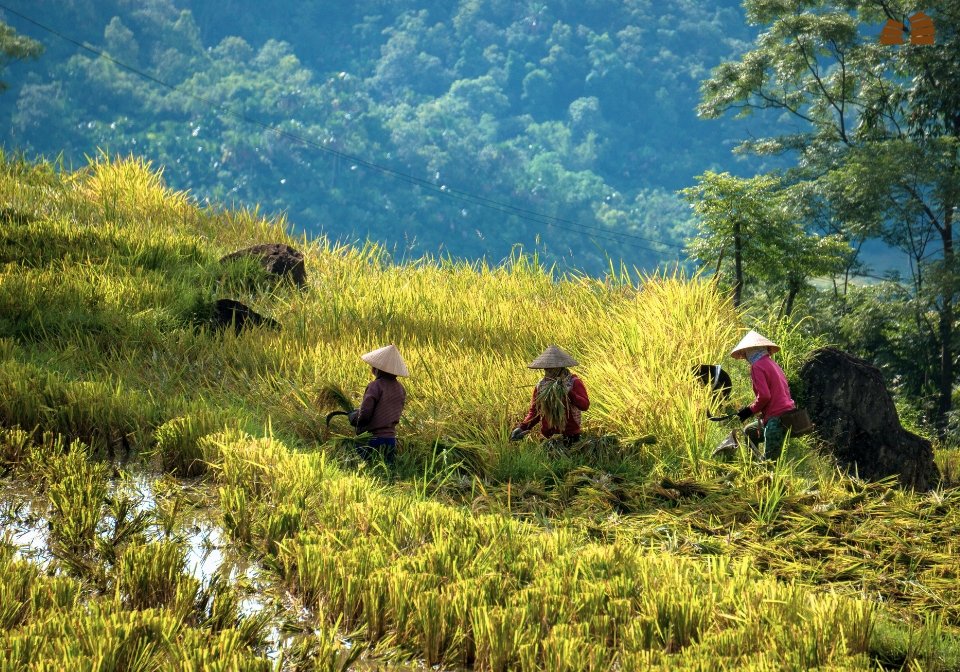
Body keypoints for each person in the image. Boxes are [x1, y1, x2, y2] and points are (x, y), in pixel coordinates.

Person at [731, 330, 796, 460]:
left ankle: (761, 471)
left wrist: (749, 411)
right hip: (787, 414)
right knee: (750, 431)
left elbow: (765, 396)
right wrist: (759, 412)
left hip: (777, 419)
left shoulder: (757, 366)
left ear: (751, 351)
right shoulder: (773, 364)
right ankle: (751, 466)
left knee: (770, 463)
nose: (745, 357)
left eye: (746, 353)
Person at [510, 345, 590, 446]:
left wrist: (568, 393)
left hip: (570, 437)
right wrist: (522, 427)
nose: (549, 373)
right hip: (548, 437)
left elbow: (585, 405)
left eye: (552, 369)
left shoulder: (573, 382)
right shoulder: (541, 385)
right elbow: (536, 411)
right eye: (547, 370)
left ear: (561, 368)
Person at [348, 344, 408, 465]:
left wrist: (354, 418)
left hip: (373, 439)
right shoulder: (400, 388)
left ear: (377, 369)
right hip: (391, 440)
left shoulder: (375, 386)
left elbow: (365, 414)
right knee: (386, 471)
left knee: (368, 470)